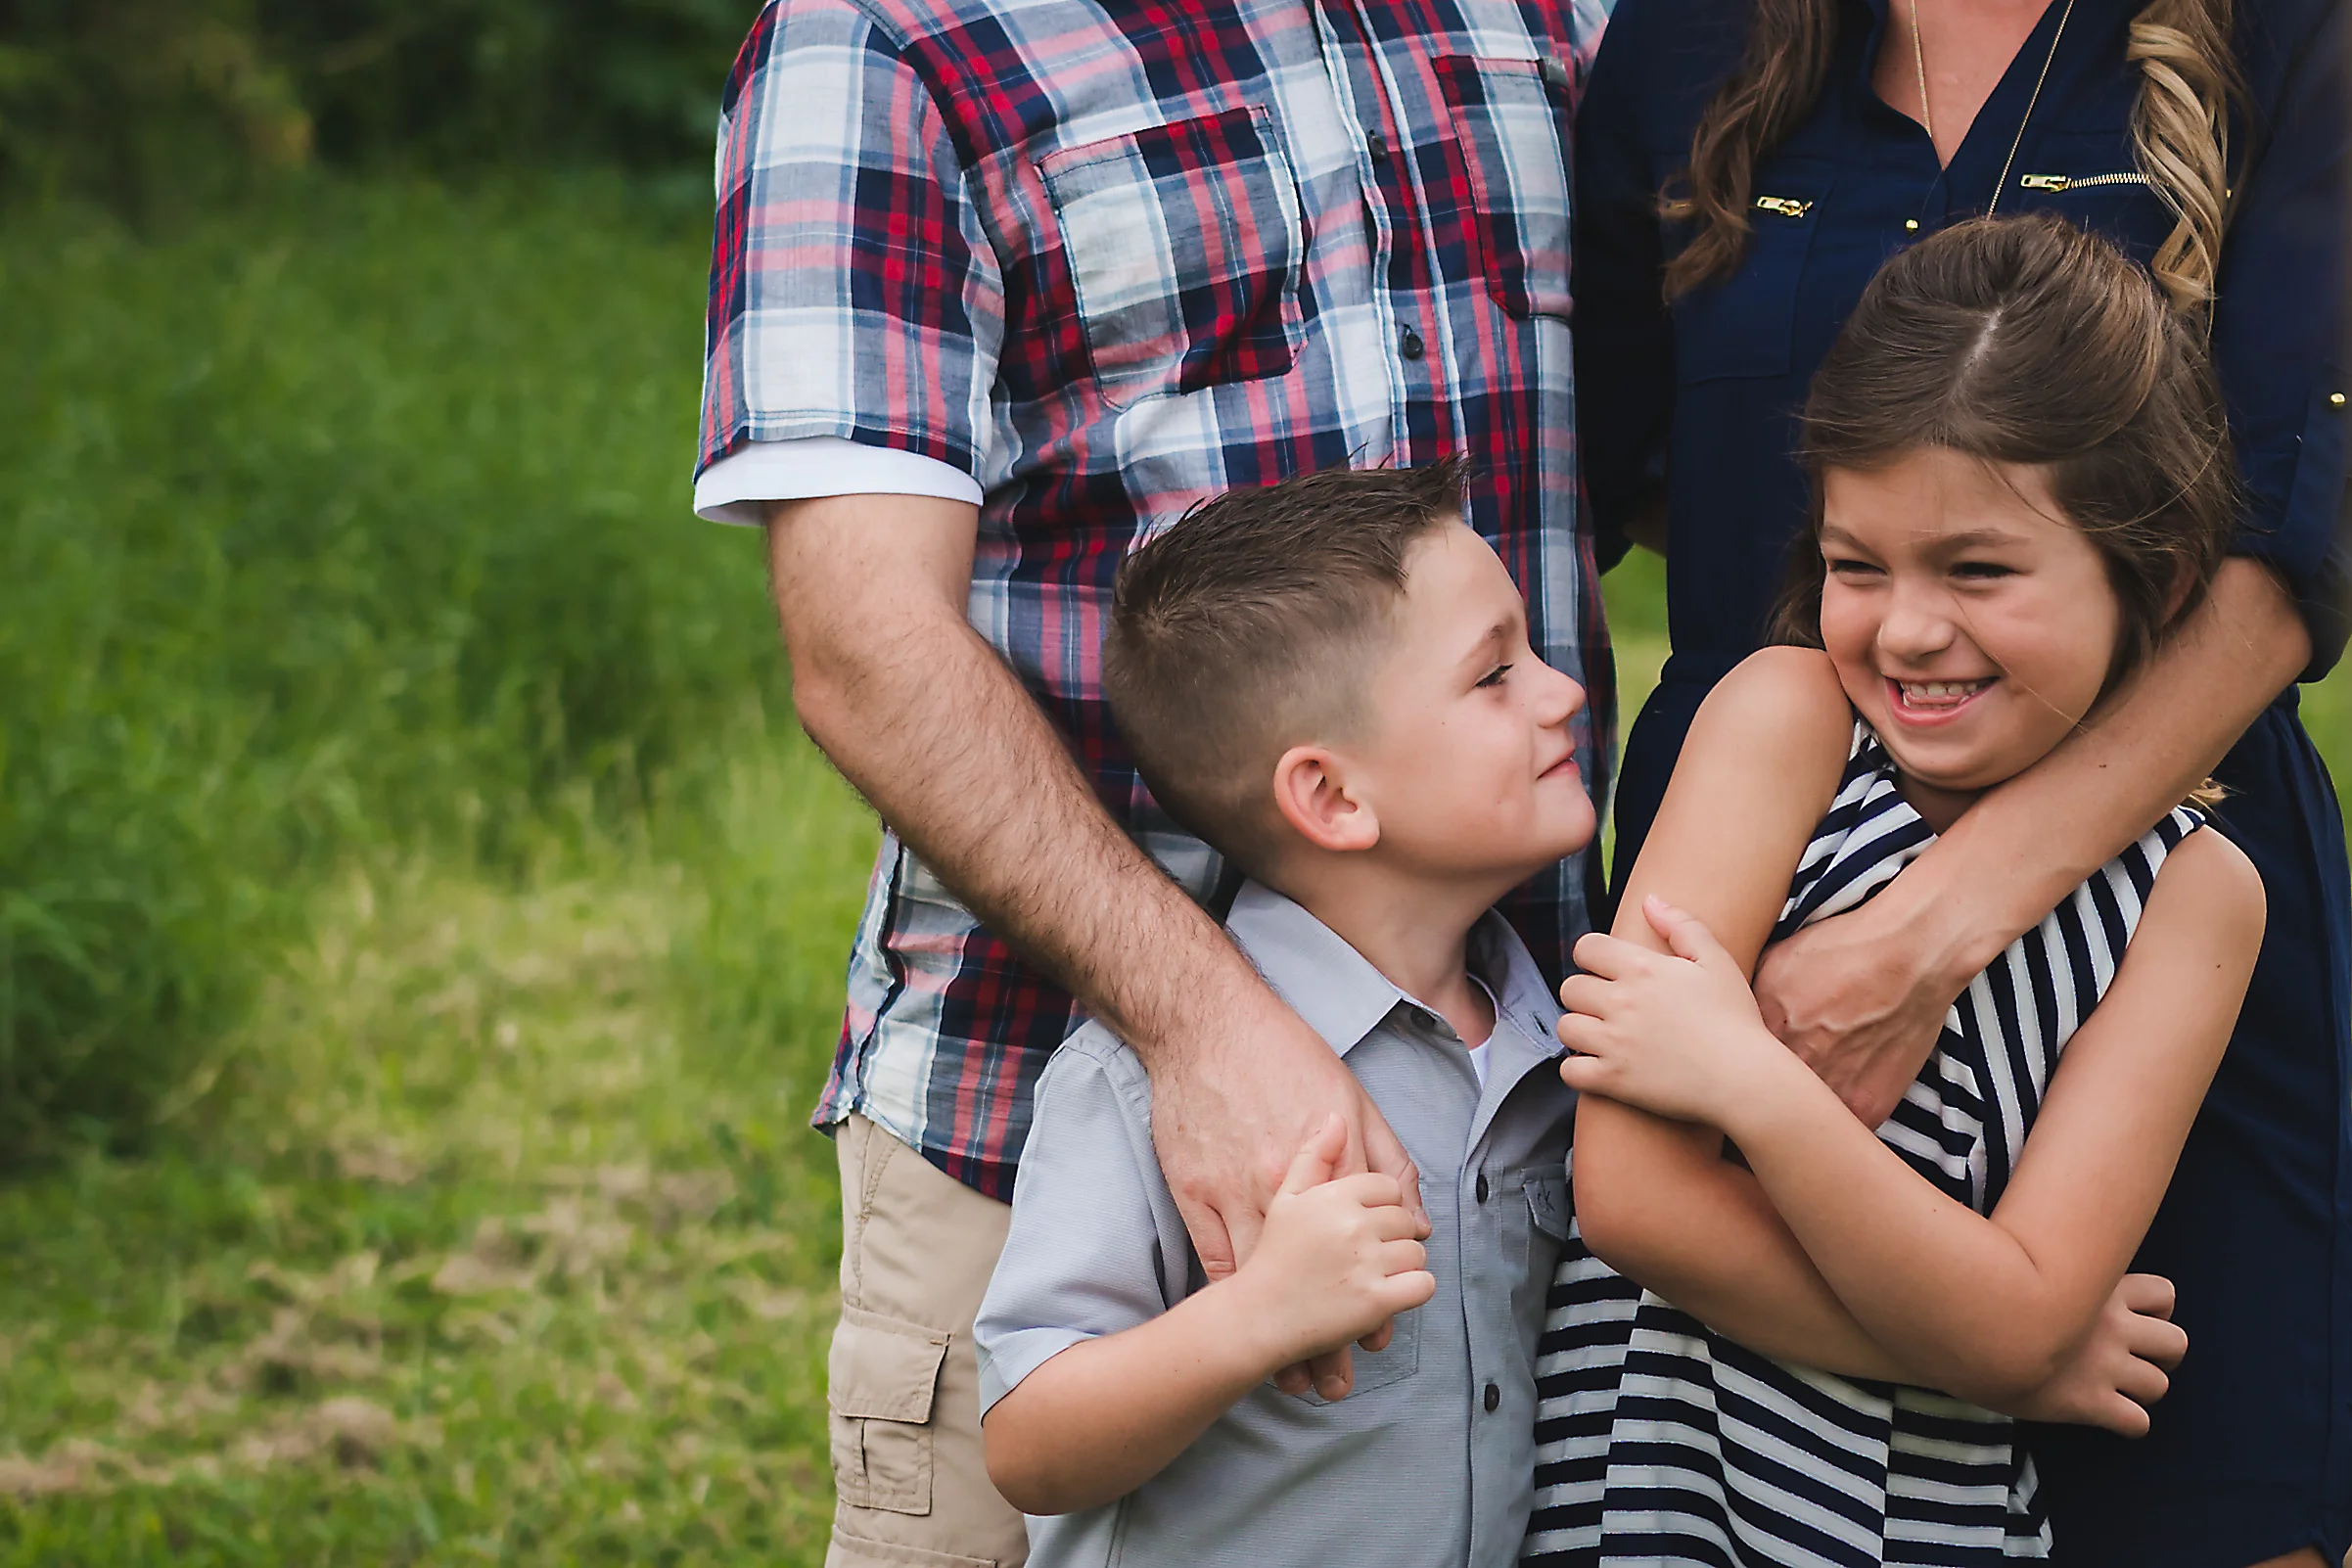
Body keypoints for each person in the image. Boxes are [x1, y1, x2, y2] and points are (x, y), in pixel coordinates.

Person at [693, 0, 1611, 1559]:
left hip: (1517, 1091)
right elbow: (861, 637)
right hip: (1034, 1071)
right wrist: (1201, 1022)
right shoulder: (883, 35)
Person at [1568, 0, 2351, 1554]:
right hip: (1750, 861)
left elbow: (2287, 532)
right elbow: (1601, 463)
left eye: (1973, 563)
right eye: (1860, 558)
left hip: (2141, 867)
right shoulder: (1677, 42)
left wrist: (1931, 923)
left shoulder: (2288, 34)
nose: (1909, 606)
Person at [975, 461, 1587, 1567]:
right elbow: (1028, 1440)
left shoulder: (1555, 1045)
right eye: (1496, 675)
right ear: (1334, 798)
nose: (1564, 693)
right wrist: (1257, 1315)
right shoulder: (1146, 1083)